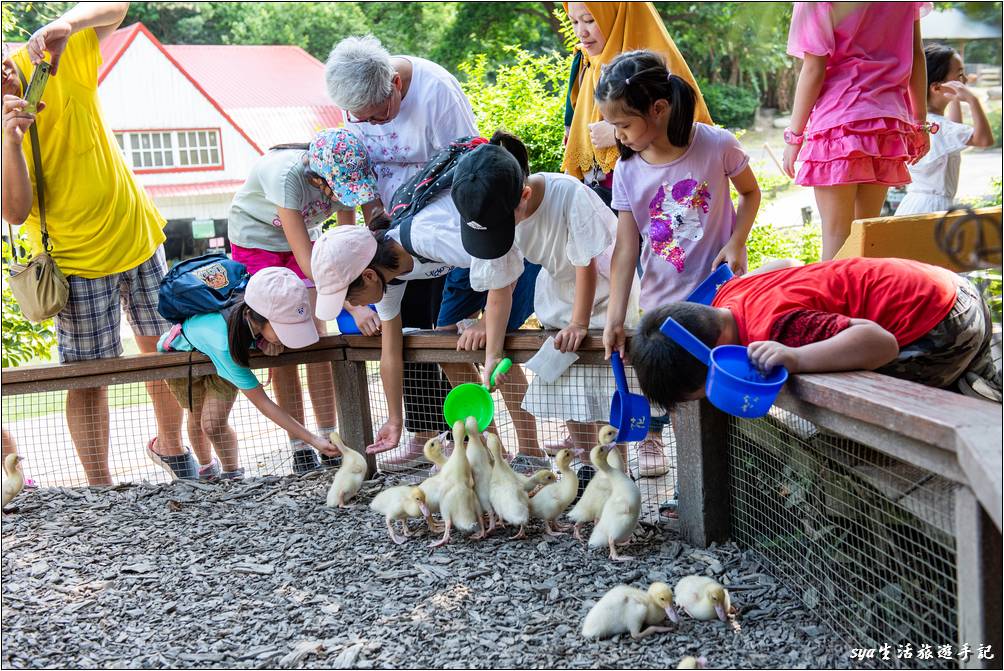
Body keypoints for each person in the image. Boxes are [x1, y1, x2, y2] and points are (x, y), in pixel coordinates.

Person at [1, 2, 187, 485]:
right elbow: (15, 212)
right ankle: (100, 485)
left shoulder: (46, 57)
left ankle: (173, 448)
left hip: (137, 234)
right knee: (90, 378)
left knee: (163, 355)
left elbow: (117, 7)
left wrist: (67, 23)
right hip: (75, 260)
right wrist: (11, 142)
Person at [598, 50, 761, 478]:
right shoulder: (628, 169)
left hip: (717, 299)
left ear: (659, 108)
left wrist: (737, 242)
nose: (620, 135)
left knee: (719, 389)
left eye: (624, 124)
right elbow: (625, 248)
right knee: (680, 400)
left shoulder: (716, 145)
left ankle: (737, 479)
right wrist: (616, 317)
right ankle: (688, 488)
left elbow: (750, 193)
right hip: (660, 305)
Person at [324, 34, 478, 465]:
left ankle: (466, 432)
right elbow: (359, 170)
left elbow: (470, 160)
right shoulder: (355, 102)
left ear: (393, 82)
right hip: (389, 228)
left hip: (442, 224)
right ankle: (421, 428)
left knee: (444, 326)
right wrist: (372, 217)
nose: (373, 124)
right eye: (364, 119)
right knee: (403, 329)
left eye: (380, 115)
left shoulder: (436, 91)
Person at [310, 179, 541, 467]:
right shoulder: (387, 281)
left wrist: (486, 322)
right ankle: (492, 453)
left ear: (368, 276)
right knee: (446, 344)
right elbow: (390, 353)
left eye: (351, 297)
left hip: (512, 239)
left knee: (498, 338)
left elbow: (502, 256)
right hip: (470, 260)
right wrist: (395, 421)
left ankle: (532, 453)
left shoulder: (428, 238)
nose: (355, 305)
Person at [455, 130, 640, 482]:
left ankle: (617, 472)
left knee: (601, 386)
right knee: (567, 384)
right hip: (558, 292)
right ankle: (584, 466)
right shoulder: (495, 208)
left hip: (604, 292)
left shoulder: (568, 195)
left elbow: (586, 266)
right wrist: (492, 353)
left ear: (524, 195)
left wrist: (580, 324)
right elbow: (500, 288)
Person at [630, 258, 1003, 407]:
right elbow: (785, 265)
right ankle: (977, 368)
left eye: (706, 392)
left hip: (950, 324)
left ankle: (975, 382)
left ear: (715, 358)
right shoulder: (728, 296)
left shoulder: (779, 330)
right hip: (948, 284)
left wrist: (796, 358)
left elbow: (880, 343)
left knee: (848, 381)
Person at [226, 128, 380, 473]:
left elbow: (344, 245)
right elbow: (310, 264)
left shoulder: (344, 178)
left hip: (302, 236)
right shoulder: (286, 177)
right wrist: (352, 306)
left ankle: (328, 437)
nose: (345, 197)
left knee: (313, 331)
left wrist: (351, 298)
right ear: (317, 176)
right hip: (256, 239)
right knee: (279, 337)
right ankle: (300, 445)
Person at [158, 267, 342, 478]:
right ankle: (210, 468)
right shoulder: (224, 342)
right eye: (282, 328)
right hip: (189, 356)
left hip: (225, 353)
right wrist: (314, 440)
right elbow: (264, 403)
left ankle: (231, 473)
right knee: (200, 419)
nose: (286, 337)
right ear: (256, 318)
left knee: (212, 423)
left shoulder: (251, 310)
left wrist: (262, 340)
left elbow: (248, 331)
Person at [782, 1, 932, 259]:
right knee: (865, 238)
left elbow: (813, 68)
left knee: (836, 238)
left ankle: (833, 300)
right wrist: (920, 124)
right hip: (887, 122)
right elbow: (917, 54)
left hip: (839, 121)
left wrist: (794, 137)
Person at [562, 1, 711, 202]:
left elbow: (693, 139)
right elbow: (571, 134)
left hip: (653, 204)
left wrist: (615, 133)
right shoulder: (584, 62)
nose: (581, 32)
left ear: (618, 14)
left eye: (589, 20)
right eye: (573, 22)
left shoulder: (654, 70)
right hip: (597, 201)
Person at [895, 44, 995, 216]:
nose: (964, 81)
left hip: (913, 204)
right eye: (959, 75)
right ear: (936, 88)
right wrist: (973, 100)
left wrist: (954, 98)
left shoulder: (926, 124)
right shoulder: (939, 127)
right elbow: (984, 140)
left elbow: (954, 130)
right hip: (934, 209)